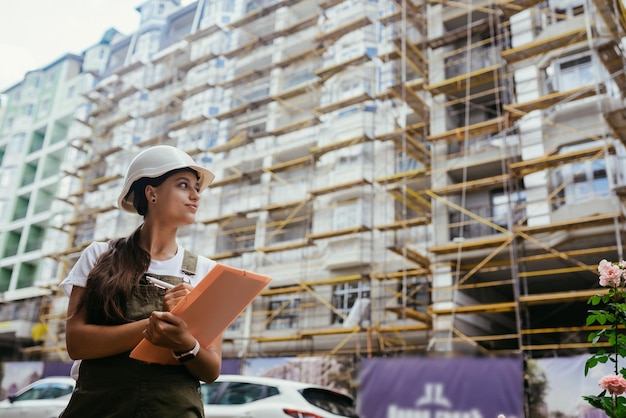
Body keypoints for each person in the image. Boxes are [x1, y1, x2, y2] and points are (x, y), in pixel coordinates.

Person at [59, 145, 222, 417]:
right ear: (152, 192)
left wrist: (184, 341)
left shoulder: (206, 271)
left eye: (197, 188)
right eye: (184, 185)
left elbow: (211, 370)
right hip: (98, 409)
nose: (195, 195)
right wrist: (154, 326)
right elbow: (77, 343)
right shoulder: (99, 255)